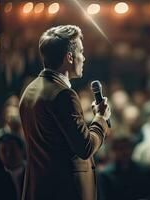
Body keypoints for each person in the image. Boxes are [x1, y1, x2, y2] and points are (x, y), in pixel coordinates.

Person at [19, 25, 111, 200]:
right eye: (81, 52)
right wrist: (101, 118)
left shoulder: (30, 90)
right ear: (69, 57)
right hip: (63, 191)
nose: (83, 58)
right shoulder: (64, 95)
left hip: (39, 189)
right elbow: (85, 148)